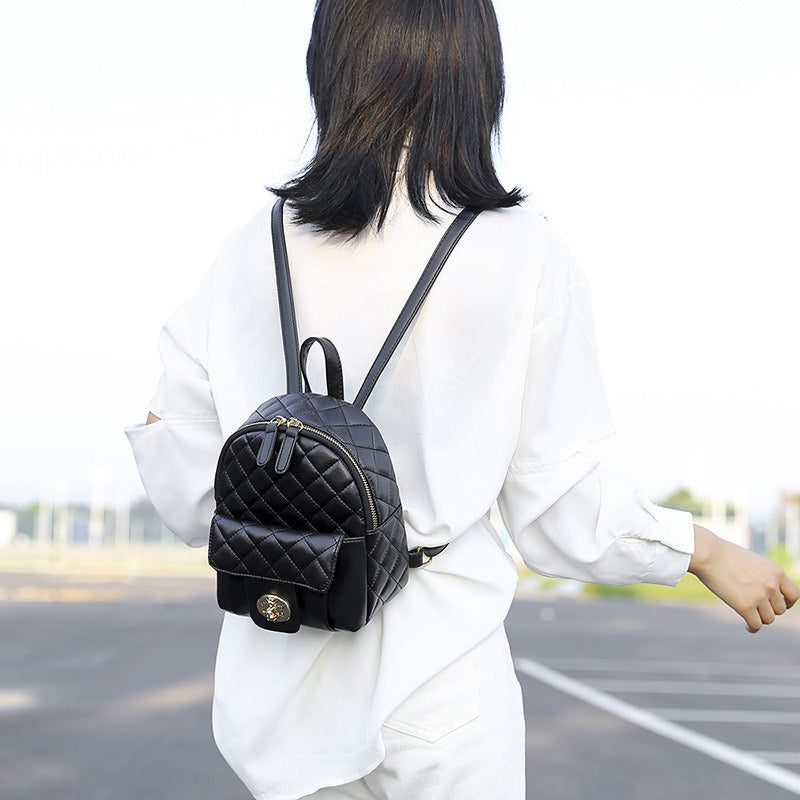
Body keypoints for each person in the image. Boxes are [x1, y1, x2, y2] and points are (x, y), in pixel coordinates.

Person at [125, 1, 799, 798]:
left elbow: (192, 488)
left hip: (277, 677)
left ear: (329, 62)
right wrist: (706, 551)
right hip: (440, 681)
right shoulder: (519, 252)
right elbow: (557, 513)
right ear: (473, 73)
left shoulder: (254, 245)